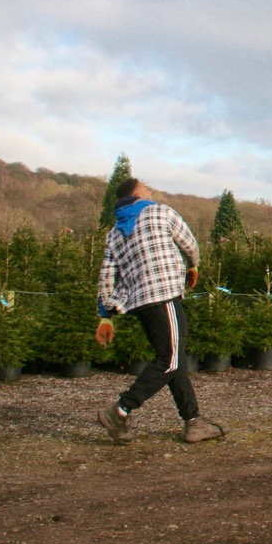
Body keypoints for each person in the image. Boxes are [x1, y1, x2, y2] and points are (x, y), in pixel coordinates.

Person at [95, 178, 226, 444]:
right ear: (136, 194)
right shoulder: (159, 211)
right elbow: (189, 243)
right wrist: (194, 265)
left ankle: (193, 422)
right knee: (170, 361)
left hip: (140, 302)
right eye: (147, 189)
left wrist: (104, 316)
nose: (151, 192)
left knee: (171, 358)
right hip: (164, 293)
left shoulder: (113, 233)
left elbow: (107, 275)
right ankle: (120, 411)